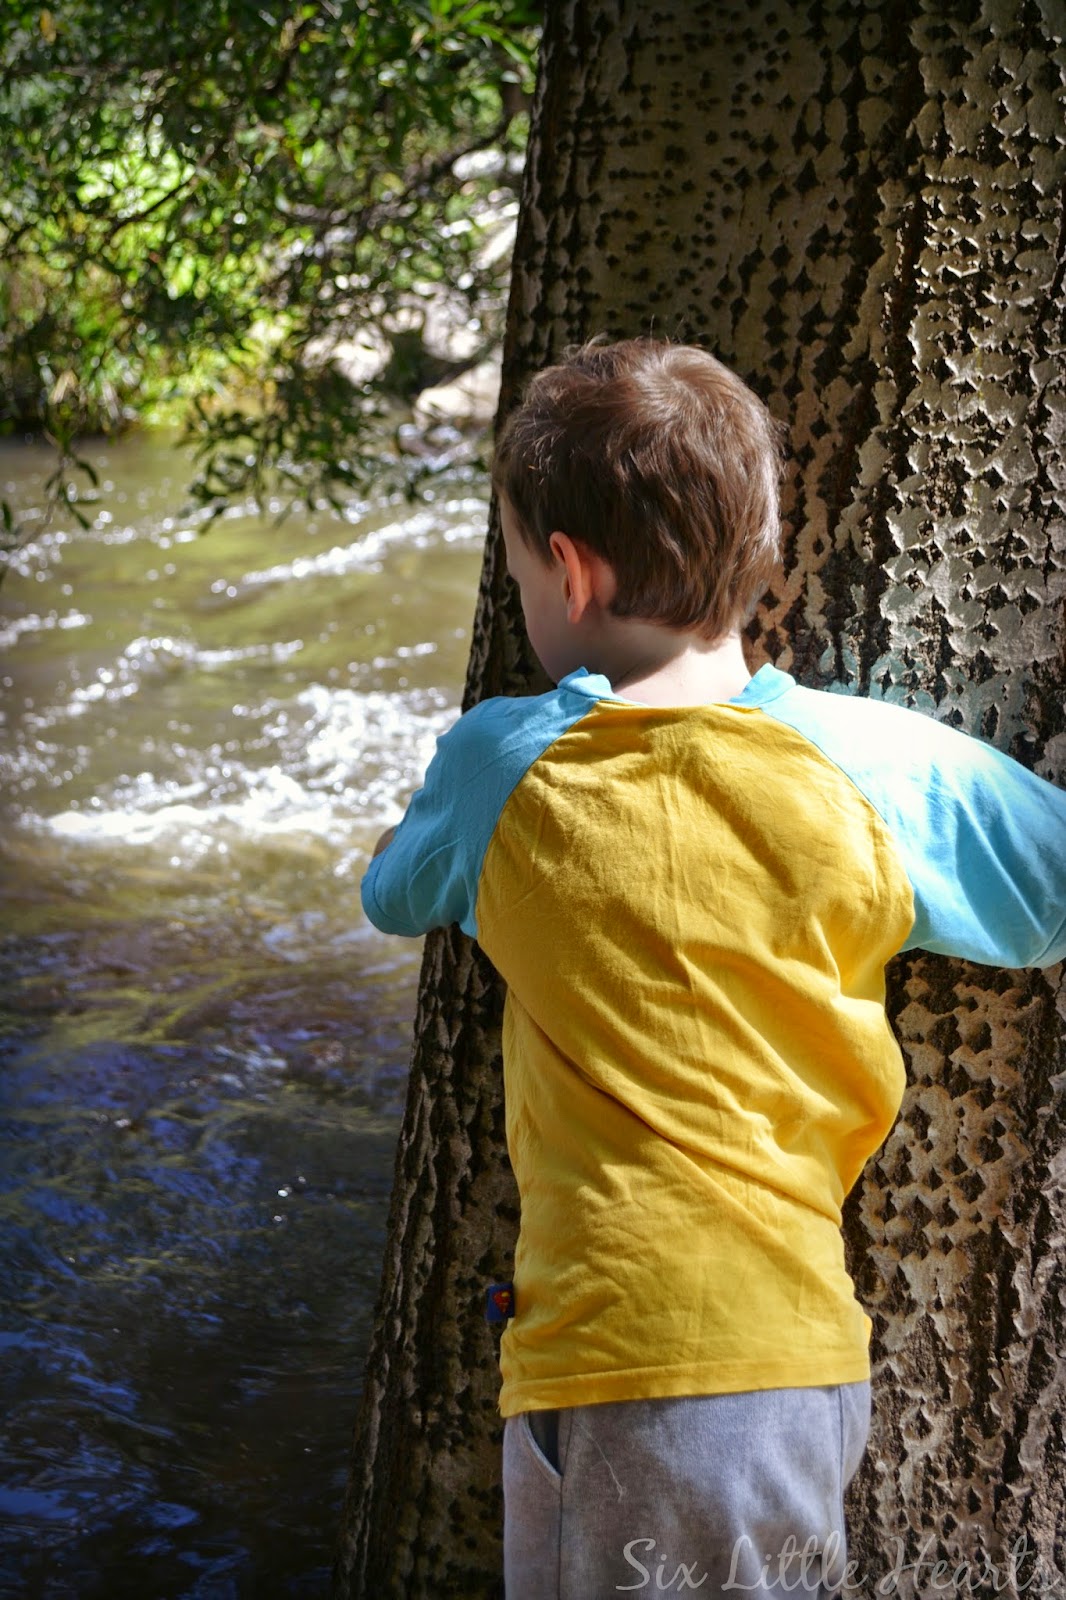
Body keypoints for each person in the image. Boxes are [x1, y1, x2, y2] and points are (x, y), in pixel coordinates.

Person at [360, 338, 1066, 1598]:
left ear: (569, 571)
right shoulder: (878, 769)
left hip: (616, 1362)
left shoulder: (500, 766)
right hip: (801, 1358)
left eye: (517, 571)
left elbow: (391, 893)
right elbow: (1048, 897)